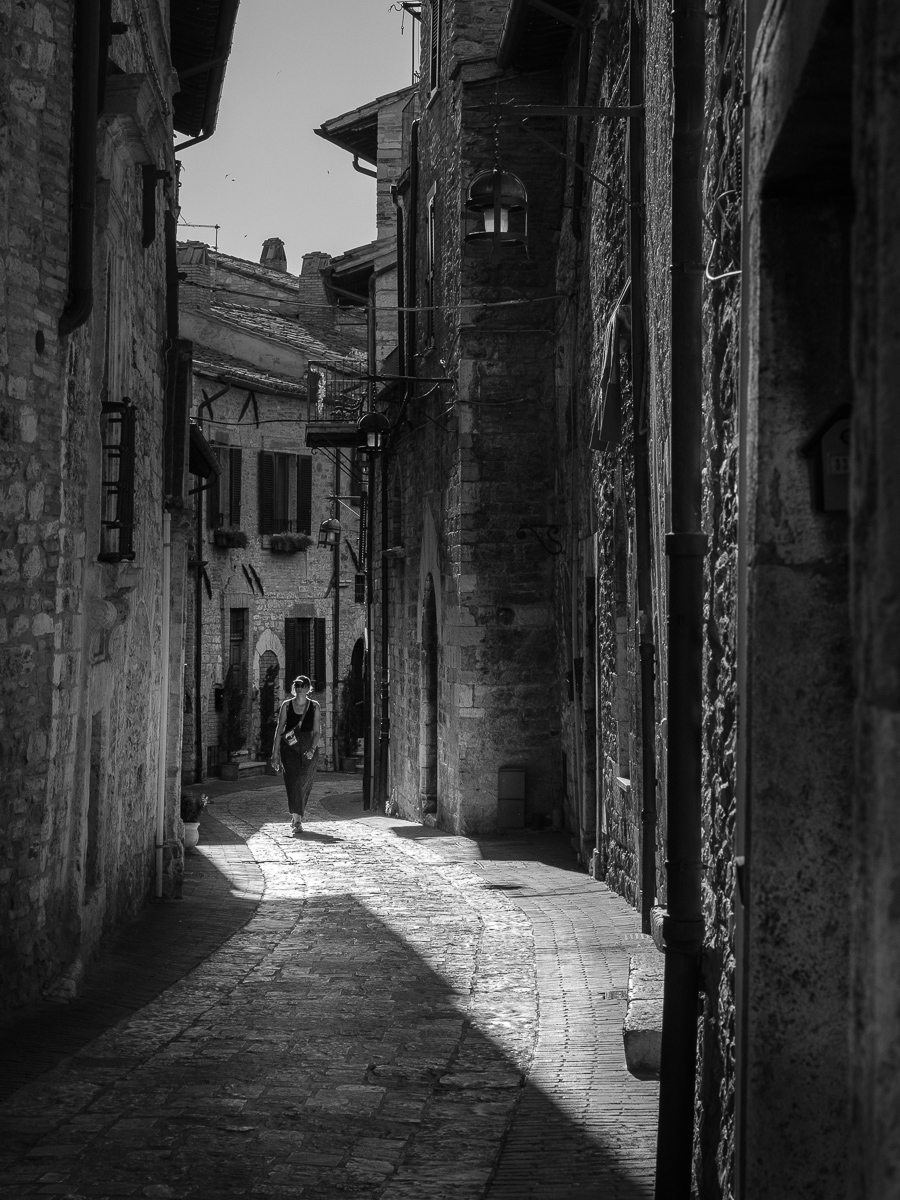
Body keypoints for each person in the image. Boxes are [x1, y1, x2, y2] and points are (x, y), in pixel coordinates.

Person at [271, 675, 321, 834]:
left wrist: (312, 749)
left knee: (304, 783)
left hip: (308, 750)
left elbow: (317, 732)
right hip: (290, 750)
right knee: (293, 782)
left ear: (308, 688)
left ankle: (296, 815)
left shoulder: (314, 707)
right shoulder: (286, 706)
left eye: (303, 685)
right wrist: (275, 754)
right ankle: (297, 821)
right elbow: (279, 730)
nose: (300, 688)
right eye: (297, 685)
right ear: (294, 688)